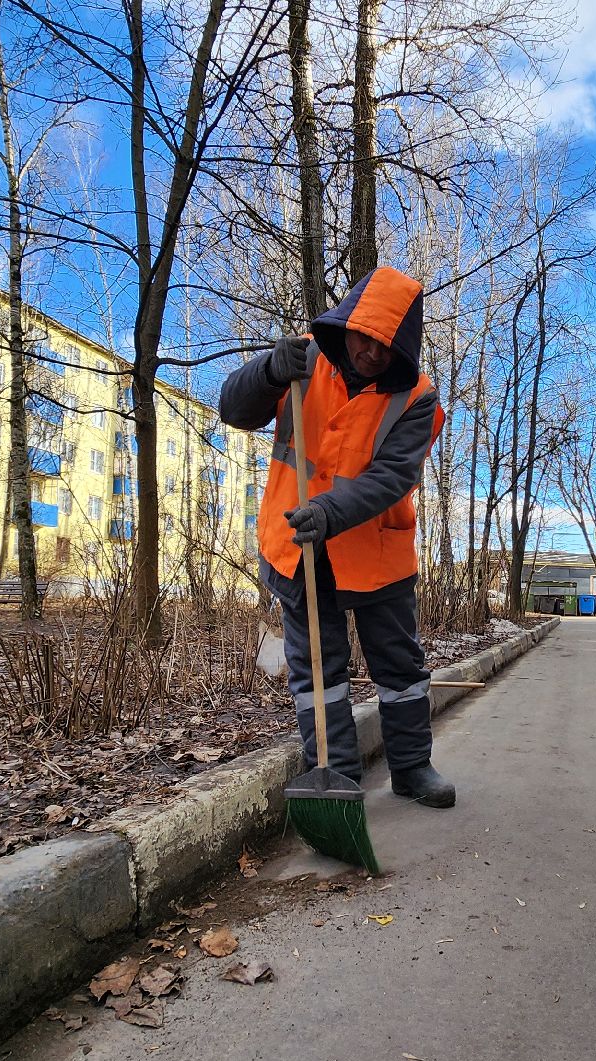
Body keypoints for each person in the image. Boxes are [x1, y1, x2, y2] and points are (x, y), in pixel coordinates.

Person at [218, 267, 454, 808]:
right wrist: (268, 373)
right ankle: (337, 778)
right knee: (318, 672)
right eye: (363, 336)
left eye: (385, 344)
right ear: (346, 323)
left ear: (404, 346)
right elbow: (233, 408)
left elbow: (393, 476)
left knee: (399, 666)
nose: (371, 351)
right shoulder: (301, 359)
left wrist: (329, 509)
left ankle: (413, 768)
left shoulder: (416, 397)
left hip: (376, 550)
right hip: (299, 550)